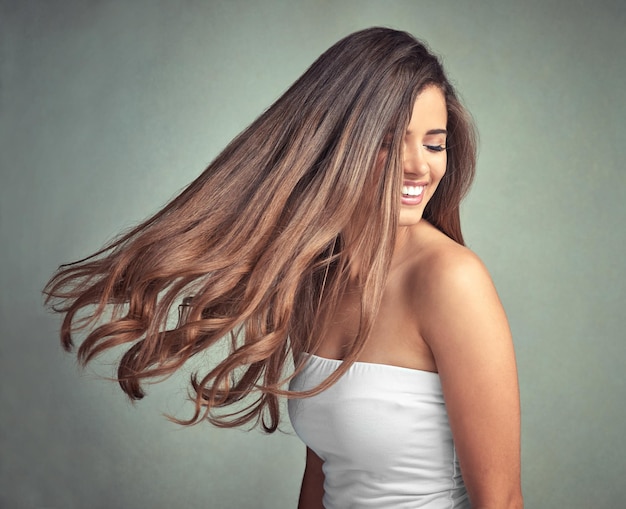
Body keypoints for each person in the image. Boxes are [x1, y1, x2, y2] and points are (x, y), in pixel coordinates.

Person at [45, 27, 522, 508]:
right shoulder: (321, 276)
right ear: (335, 143)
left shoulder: (450, 280)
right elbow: (323, 467)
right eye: (388, 141)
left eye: (434, 144)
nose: (418, 167)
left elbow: (500, 500)